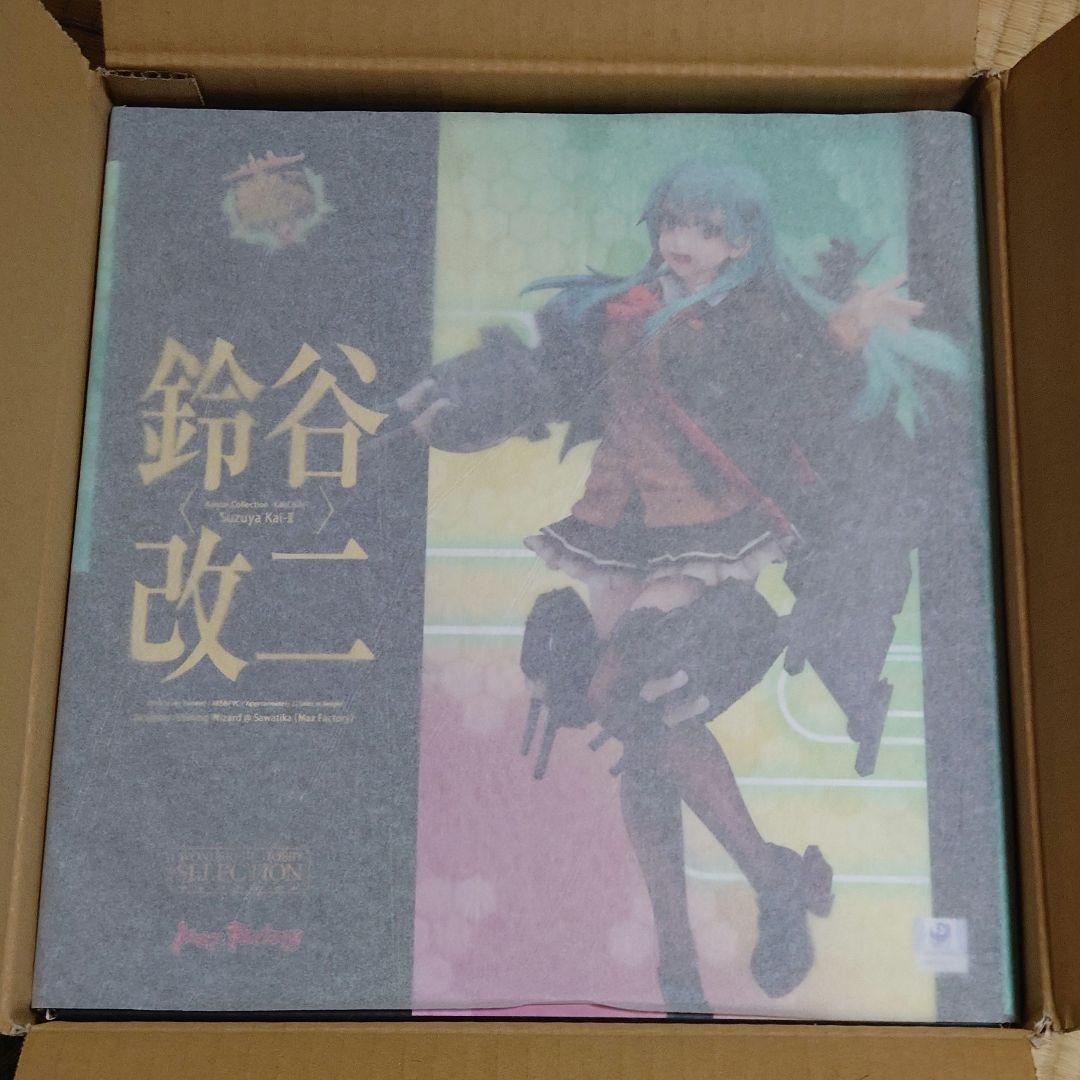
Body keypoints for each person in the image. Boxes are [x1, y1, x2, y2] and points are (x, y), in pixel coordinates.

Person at [388, 160, 967, 1010]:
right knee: (647, 737)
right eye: (671, 223)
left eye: (706, 229)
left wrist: (841, 336)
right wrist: (463, 393)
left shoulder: (756, 317)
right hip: (617, 521)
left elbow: (793, 398)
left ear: (742, 243)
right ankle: (689, 954)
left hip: (702, 526)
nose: (681, 242)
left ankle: (761, 882)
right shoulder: (621, 304)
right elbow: (548, 373)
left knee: (624, 685)